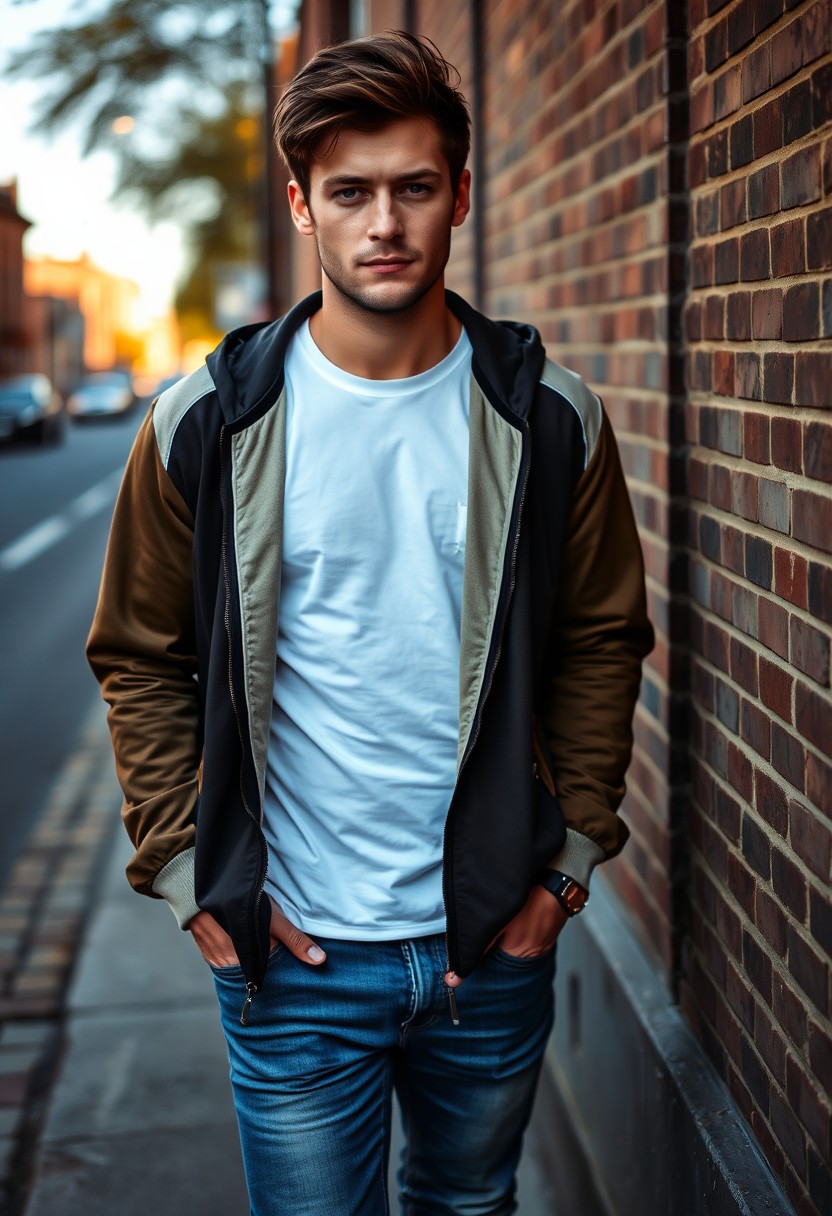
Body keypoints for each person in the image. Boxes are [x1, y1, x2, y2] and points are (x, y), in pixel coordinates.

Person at [87, 30, 653, 1216]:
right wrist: (193, 873)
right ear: (303, 204)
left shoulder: (548, 417)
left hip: (489, 944)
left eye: (411, 188)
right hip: (290, 955)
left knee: (467, 1203)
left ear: (458, 195)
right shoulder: (204, 423)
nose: (382, 222)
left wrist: (564, 866)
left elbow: (602, 637)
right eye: (349, 192)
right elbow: (142, 654)